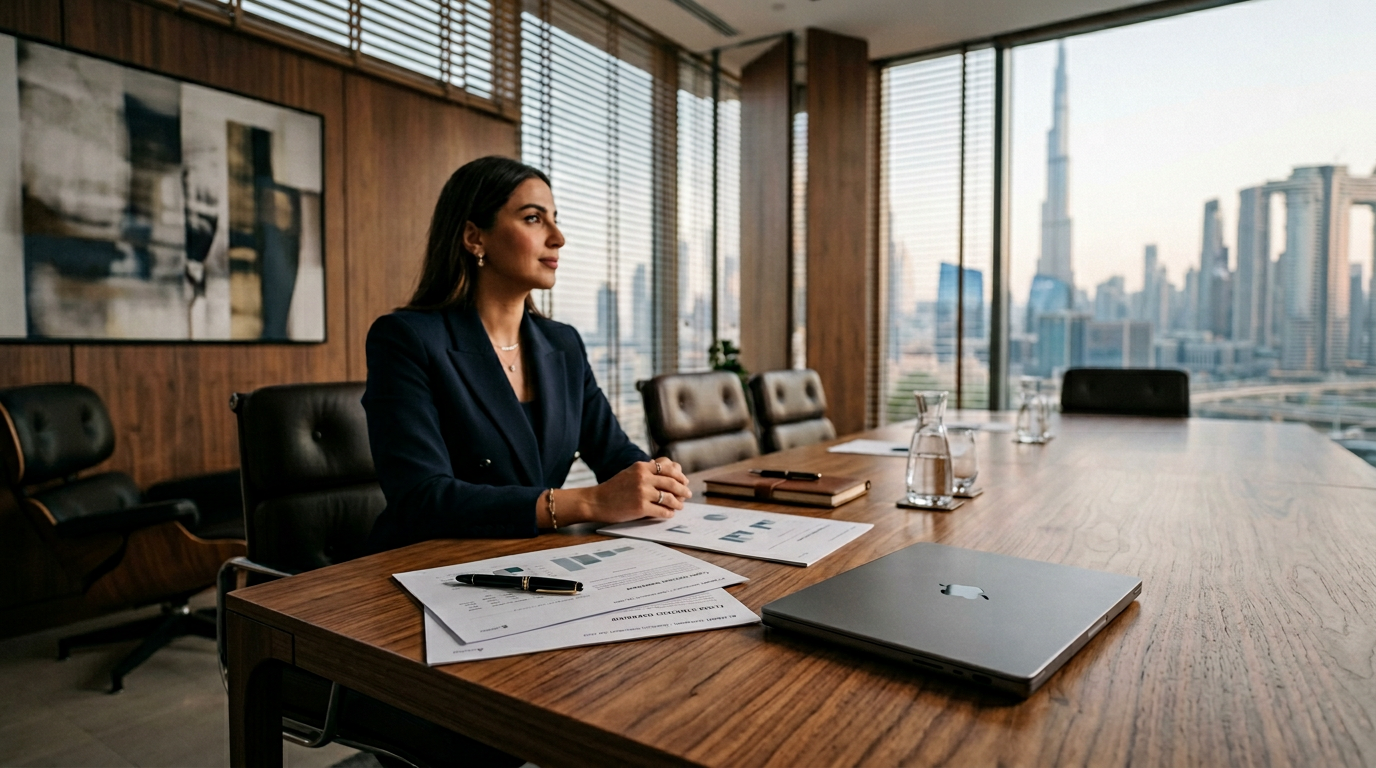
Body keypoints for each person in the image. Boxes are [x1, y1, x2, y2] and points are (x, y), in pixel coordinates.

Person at [363, 156, 692, 553]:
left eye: (555, 218)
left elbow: (614, 452)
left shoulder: (563, 343)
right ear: (474, 237)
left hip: (534, 557)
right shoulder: (406, 339)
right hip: (429, 567)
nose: (558, 237)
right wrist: (589, 502)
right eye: (534, 219)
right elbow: (421, 497)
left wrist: (653, 479)